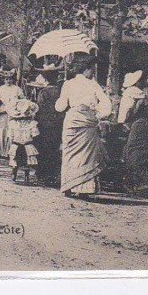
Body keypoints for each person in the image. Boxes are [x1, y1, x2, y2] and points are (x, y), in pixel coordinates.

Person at [54, 55, 112, 197]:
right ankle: (84, 189)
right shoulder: (93, 85)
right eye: (92, 69)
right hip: (87, 122)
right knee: (86, 155)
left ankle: (68, 185)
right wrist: (98, 114)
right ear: (86, 69)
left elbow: (60, 107)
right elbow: (107, 105)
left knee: (69, 154)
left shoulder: (68, 84)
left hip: (72, 121)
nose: (92, 72)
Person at [34, 67, 63, 184]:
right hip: (57, 123)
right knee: (54, 149)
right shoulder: (60, 91)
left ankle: (43, 174)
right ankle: (53, 174)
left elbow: (38, 108)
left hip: (45, 123)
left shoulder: (43, 92)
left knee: (44, 149)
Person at [0, 70, 24, 159]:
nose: (8, 81)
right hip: (3, 111)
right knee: (1, 129)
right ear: (4, 80)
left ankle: (9, 152)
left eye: (10, 79)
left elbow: (22, 100)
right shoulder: (0, 89)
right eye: (7, 79)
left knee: (10, 130)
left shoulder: (17, 89)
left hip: (13, 111)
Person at [6, 97, 40, 183]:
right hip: (27, 144)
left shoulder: (12, 124)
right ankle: (25, 177)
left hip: (16, 144)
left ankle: (15, 174)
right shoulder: (32, 123)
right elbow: (35, 134)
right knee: (27, 162)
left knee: (16, 161)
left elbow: (11, 136)